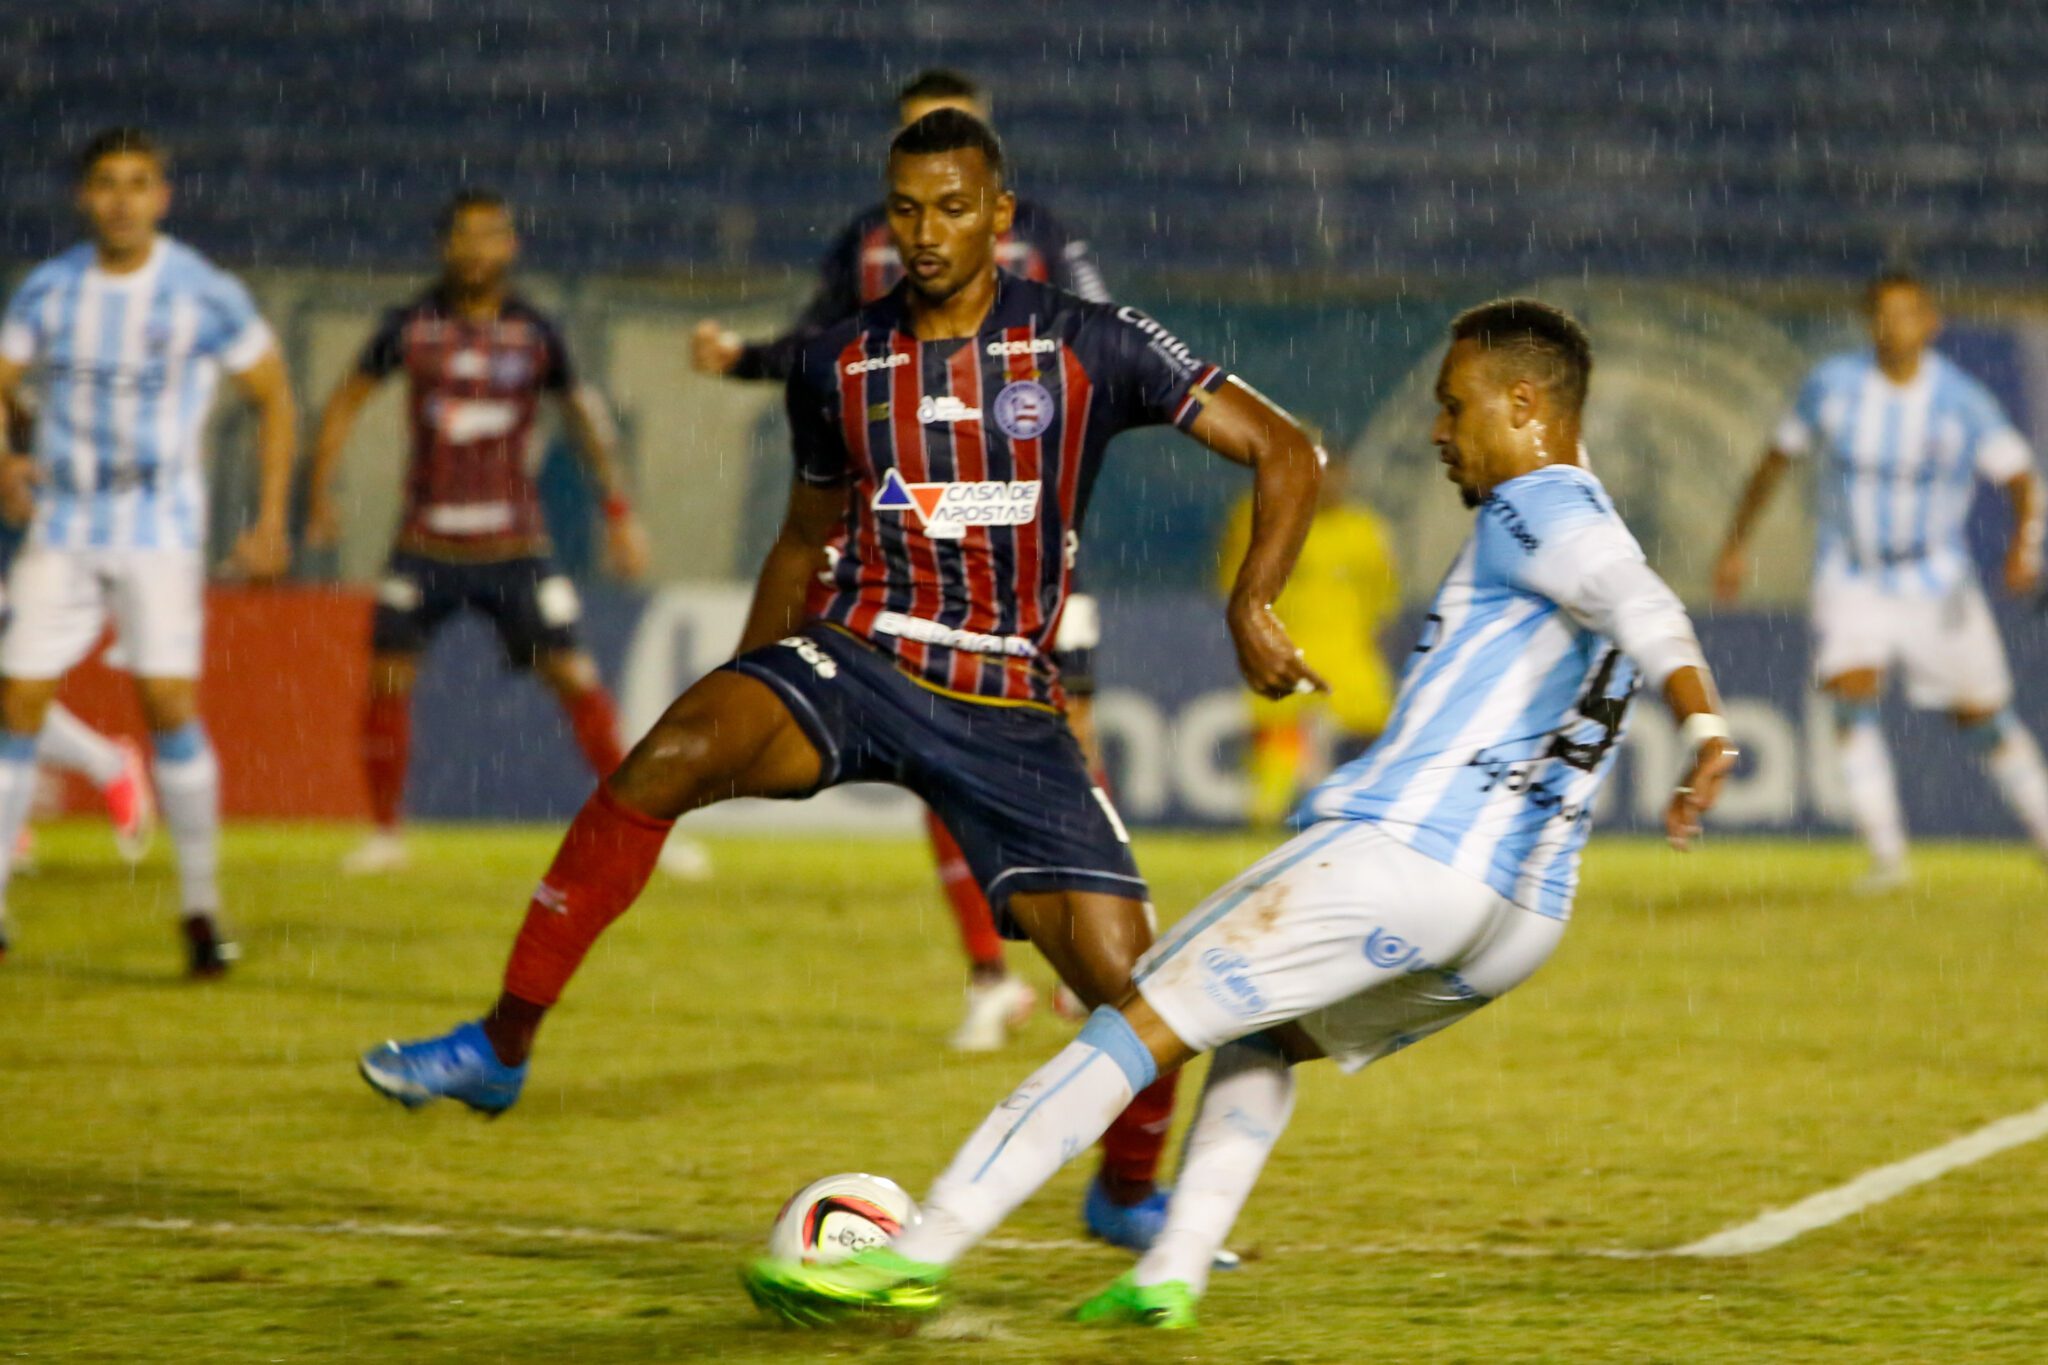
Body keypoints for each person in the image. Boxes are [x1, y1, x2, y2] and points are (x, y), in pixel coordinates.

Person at [358, 109, 1327, 1254]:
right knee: (667, 756)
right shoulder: (838, 362)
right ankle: (501, 1045)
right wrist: (751, 673)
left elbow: (1285, 449)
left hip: (1006, 701)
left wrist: (1249, 603)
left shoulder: (1088, 342)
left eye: (952, 208)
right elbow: (800, 536)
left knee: (1139, 993)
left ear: (1000, 216)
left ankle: (1121, 1195)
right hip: (859, 654)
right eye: (905, 210)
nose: (925, 233)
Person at [739, 298, 1739, 1331]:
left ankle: (916, 1251)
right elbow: (1632, 596)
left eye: (1454, 406)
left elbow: (1643, 605)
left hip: (1405, 857)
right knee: (1262, 1035)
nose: (1439, 432)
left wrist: (1705, 727)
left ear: (1524, 406)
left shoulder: (1539, 510)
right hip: (1519, 918)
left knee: (1134, 1019)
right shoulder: (1587, 515)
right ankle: (1170, 1270)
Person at [692, 66, 1111, 1053]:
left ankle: (1087, 955)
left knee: (1070, 738)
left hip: (1027, 538)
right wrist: (744, 358)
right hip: (911, 543)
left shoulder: (1040, 235)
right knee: (934, 753)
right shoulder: (868, 241)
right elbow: (815, 346)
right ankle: (988, 973)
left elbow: (1101, 342)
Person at [304, 190, 687, 878]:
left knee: (575, 677)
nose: (477, 249)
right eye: (465, 235)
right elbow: (345, 401)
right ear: (446, 245)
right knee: (387, 678)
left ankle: (643, 828)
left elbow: (584, 418)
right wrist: (320, 489)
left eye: (490, 235)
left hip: (515, 547)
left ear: (510, 245)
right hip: (424, 545)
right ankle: (386, 835)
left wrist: (619, 512)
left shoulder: (534, 332)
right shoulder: (412, 326)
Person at [0, 126, 296, 978]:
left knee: (168, 703)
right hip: (63, 522)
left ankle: (201, 910)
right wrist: (7, 461)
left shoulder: (201, 291)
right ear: (85, 197)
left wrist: (271, 518)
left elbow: (274, 395)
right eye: (107, 183)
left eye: (138, 183)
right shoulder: (49, 289)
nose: (122, 199)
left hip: (158, 525)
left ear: (162, 197)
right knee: (17, 701)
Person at [1714, 270, 2048, 890]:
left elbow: (2022, 478)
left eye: (1906, 314)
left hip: (1937, 577)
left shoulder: (1961, 400)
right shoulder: (1833, 386)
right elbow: (1775, 460)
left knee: (1984, 717)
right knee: (1850, 697)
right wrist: (1736, 544)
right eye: (1882, 315)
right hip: (1853, 573)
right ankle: (1888, 857)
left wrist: (2024, 550)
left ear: (1931, 324)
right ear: (1868, 324)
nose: (1893, 327)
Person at [1216, 449, 1400, 824]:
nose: (1330, 485)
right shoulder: (1268, 519)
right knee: (1277, 745)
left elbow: (1384, 595)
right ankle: (1264, 823)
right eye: (1321, 474)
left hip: (1348, 652)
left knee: (1377, 733)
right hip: (1285, 645)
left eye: (1337, 476)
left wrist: (1369, 633)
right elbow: (1235, 582)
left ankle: (1368, 812)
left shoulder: (1366, 529)